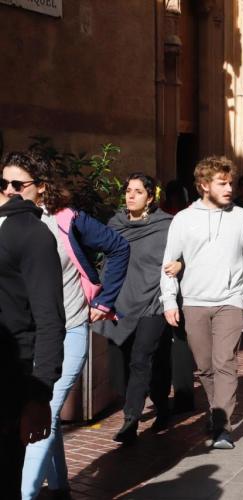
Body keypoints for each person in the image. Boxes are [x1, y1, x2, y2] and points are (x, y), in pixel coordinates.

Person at [2, 151, 130, 500]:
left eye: (18, 184)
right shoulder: (6, 223)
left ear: (41, 186)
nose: (10, 190)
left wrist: (103, 301)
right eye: (4, 183)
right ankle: (58, 486)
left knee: (42, 408)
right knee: (48, 412)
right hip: (27, 338)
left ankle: (27, 493)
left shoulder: (65, 219)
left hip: (68, 329)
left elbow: (119, 247)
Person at [160, 157, 243, 450]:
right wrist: (169, 300)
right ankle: (215, 409)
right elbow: (169, 261)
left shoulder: (242, 218)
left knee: (225, 363)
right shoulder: (183, 219)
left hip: (231, 300)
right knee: (205, 366)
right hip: (194, 301)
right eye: (222, 183)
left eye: (230, 183)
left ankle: (222, 426)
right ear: (204, 185)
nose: (229, 188)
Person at [95, 173, 176, 443]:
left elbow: (185, 252)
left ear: (150, 197)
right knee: (125, 361)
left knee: (142, 358)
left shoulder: (166, 226)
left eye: (138, 191)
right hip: (122, 302)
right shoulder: (115, 224)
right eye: (128, 190)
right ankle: (160, 403)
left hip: (154, 301)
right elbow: (106, 261)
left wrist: (180, 264)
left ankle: (131, 419)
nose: (130, 195)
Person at [0, 174, 65, 500]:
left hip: (8, 380)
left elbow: (49, 318)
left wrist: (40, 396)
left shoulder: (30, 233)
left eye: (18, 182)